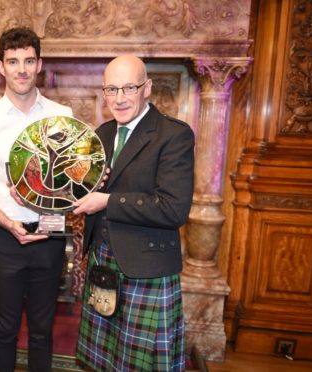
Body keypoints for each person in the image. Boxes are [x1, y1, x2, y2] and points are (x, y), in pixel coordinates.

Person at [73, 55, 194, 371]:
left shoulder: (173, 135)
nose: (119, 98)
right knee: (105, 360)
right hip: (104, 261)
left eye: (129, 87)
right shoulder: (102, 134)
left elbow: (173, 209)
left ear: (147, 88)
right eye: (111, 89)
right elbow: (87, 189)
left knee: (140, 364)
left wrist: (107, 201)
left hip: (146, 268)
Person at [0, 27, 73, 371]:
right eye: (13, 61)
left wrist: (46, 194)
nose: (21, 69)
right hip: (5, 237)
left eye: (28, 60)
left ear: (39, 64)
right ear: (1, 66)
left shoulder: (63, 116)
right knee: (6, 328)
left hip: (50, 235)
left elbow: (74, 183)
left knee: (42, 330)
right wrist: (9, 222)